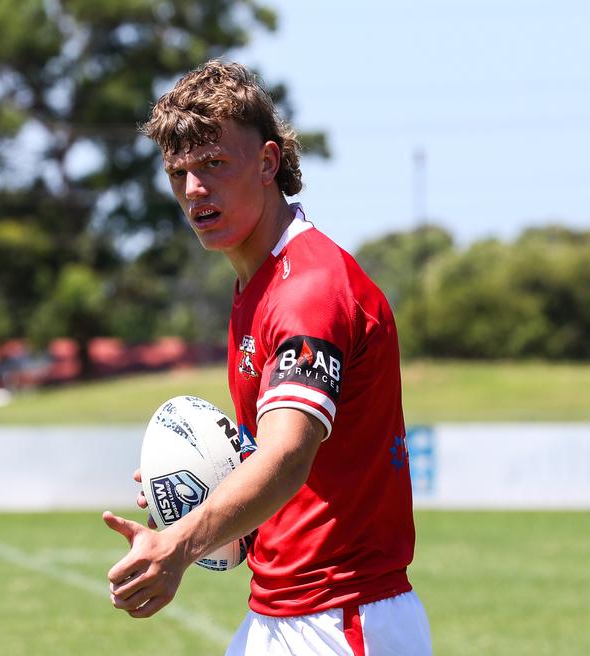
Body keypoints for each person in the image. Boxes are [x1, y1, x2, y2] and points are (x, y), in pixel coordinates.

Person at [102, 60, 432, 655]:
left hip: (340, 621)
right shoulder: (258, 284)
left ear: (268, 162)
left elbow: (286, 458)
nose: (194, 189)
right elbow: (282, 471)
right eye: (179, 172)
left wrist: (179, 543)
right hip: (287, 612)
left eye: (213, 164)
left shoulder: (308, 289)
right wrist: (196, 487)